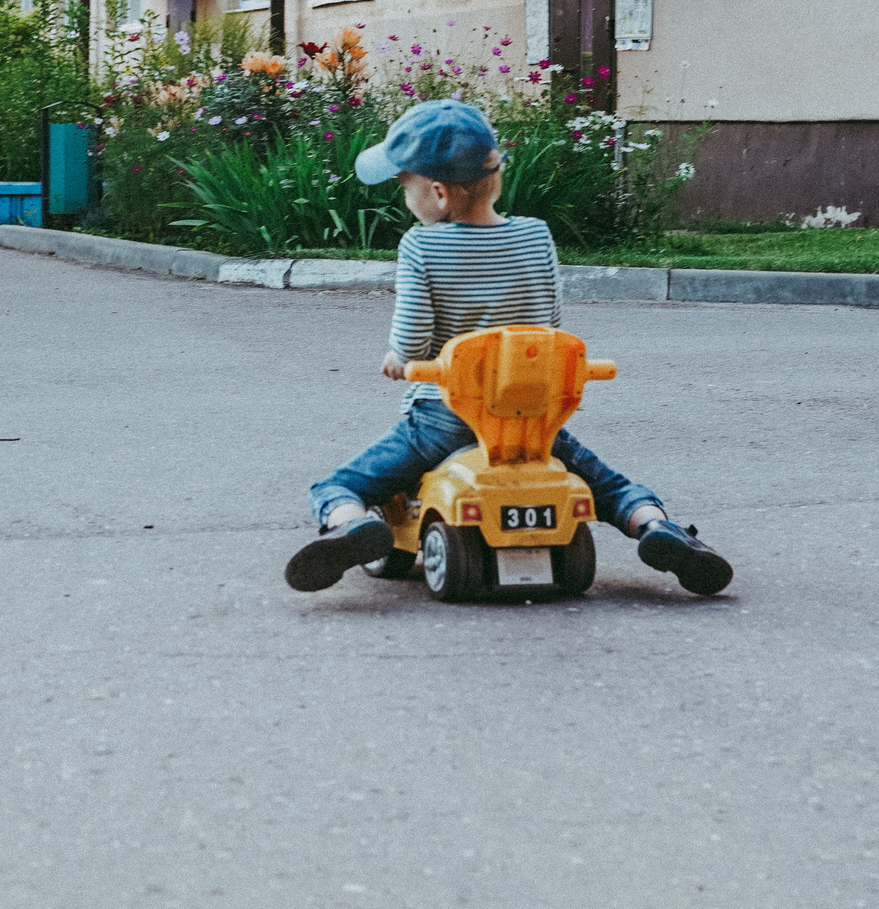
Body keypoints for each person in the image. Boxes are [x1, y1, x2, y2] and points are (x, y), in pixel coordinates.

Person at [284, 98, 734, 597]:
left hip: (444, 417)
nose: (402, 195)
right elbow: (550, 326)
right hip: (534, 423)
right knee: (609, 486)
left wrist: (399, 360)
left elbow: (412, 338)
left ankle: (351, 523)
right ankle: (654, 525)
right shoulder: (536, 237)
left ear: (436, 193)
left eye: (402, 184)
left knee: (342, 484)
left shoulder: (420, 246)